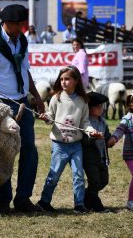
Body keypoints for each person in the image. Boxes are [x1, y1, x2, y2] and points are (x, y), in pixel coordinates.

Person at [0, 4, 45, 214]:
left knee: (29, 150)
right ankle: (3, 199)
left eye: (23, 24)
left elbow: (24, 71)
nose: (21, 28)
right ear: (6, 23)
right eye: (18, 24)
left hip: (22, 102)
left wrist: (37, 97)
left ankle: (23, 198)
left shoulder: (21, 40)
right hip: (1, 106)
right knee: (3, 153)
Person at [36, 65, 102, 213]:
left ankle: (79, 204)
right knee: (53, 176)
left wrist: (91, 131)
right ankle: (44, 202)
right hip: (59, 145)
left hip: (76, 145)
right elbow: (51, 116)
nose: (63, 82)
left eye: (67, 79)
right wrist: (46, 118)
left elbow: (85, 122)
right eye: (61, 79)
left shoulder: (83, 100)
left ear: (76, 81)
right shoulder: (56, 98)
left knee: (78, 176)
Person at [82, 91, 111, 212]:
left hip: (102, 157)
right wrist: (93, 137)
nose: (101, 108)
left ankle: (86, 197)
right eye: (97, 106)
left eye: (102, 106)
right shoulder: (86, 123)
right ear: (89, 108)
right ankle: (96, 203)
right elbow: (84, 141)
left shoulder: (102, 122)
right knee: (94, 181)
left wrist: (111, 140)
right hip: (90, 158)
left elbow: (107, 137)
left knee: (104, 180)